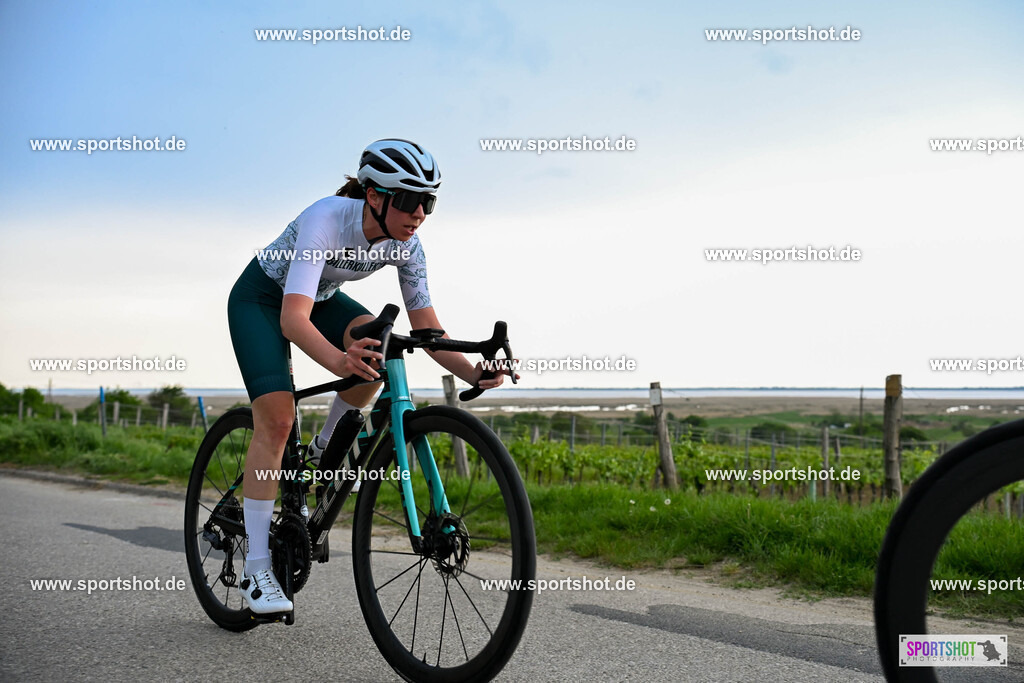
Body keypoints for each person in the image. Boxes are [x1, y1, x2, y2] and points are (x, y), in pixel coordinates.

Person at [226, 139, 510, 614]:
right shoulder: (326, 219)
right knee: (276, 421)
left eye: (428, 202)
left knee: (379, 350)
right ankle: (256, 569)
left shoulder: (408, 245)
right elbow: (292, 321)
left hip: (320, 298)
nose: (418, 213)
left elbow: (428, 331)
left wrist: (475, 371)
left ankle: (324, 451)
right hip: (262, 299)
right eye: (409, 199)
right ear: (374, 195)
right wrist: (340, 363)